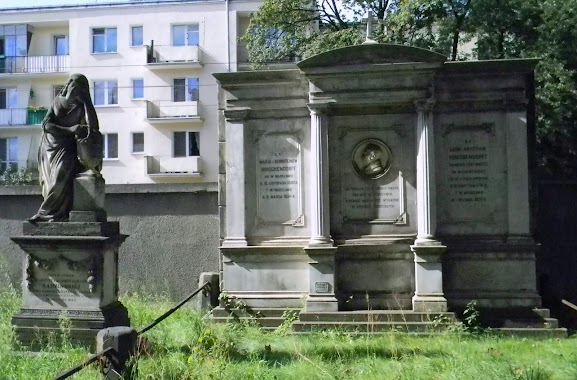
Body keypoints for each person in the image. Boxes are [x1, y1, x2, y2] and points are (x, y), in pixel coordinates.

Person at [29, 73, 102, 223]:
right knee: (51, 182)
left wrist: (87, 102)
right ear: (68, 85)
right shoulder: (58, 102)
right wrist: (70, 129)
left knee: (60, 175)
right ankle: (53, 214)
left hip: (68, 147)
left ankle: (45, 213)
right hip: (51, 145)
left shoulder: (82, 107)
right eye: (73, 84)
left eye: (80, 87)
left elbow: (94, 127)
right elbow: (46, 124)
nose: (75, 88)